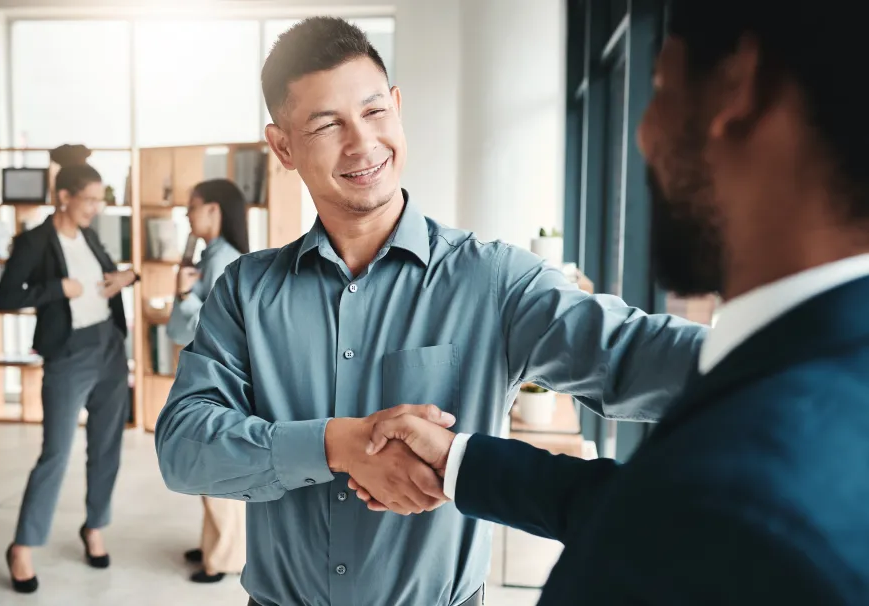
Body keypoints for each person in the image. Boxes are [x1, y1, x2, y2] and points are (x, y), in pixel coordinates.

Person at [154, 17, 706, 606]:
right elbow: (184, 449)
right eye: (326, 124)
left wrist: (789, 346)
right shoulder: (246, 291)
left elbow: (631, 353)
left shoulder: (492, 279)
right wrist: (338, 444)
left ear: (396, 107)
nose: (362, 142)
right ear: (283, 146)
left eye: (373, 112)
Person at [354, 1, 869, 604]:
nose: (645, 134)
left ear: (738, 86)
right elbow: (670, 515)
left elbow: (692, 518)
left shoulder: (740, 507)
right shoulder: (822, 377)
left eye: (658, 88)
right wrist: (466, 463)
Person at [0, 144, 139, 594]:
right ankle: (23, 545)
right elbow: (5, 297)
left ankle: (94, 526)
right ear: (64, 196)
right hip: (68, 354)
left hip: (110, 348)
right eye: (90, 200)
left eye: (100, 200)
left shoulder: (91, 236)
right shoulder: (35, 241)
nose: (97, 209)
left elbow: (112, 275)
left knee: (106, 445)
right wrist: (56, 287)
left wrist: (127, 278)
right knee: (56, 452)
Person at [166, 178, 249, 584]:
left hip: (220, 378)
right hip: (207, 374)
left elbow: (215, 327)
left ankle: (225, 557)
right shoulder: (208, 255)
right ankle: (213, 546)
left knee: (216, 464)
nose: (187, 214)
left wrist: (185, 296)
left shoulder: (224, 260)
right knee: (206, 463)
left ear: (215, 210)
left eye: (193, 206)